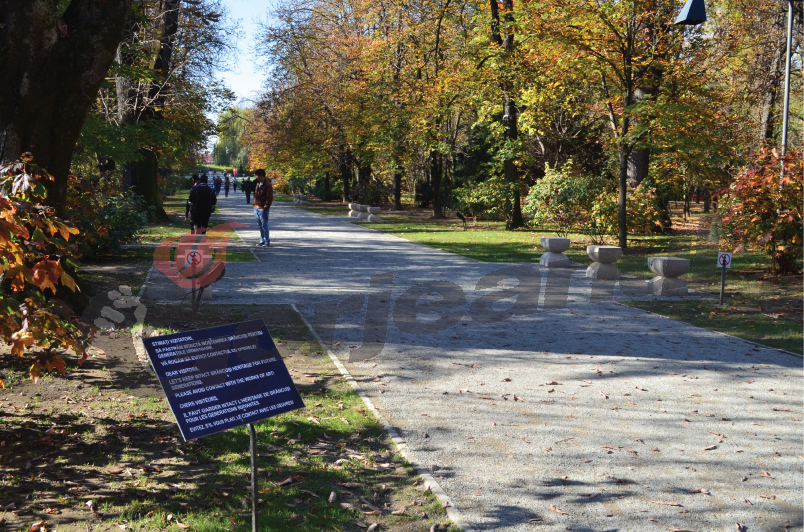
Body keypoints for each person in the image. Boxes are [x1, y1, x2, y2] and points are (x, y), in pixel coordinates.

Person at [252, 169, 273, 246]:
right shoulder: (258, 184)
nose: (256, 177)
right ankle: (262, 239)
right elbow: (255, 195)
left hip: (262, 208)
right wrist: (254, 204)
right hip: (256, 208)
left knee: (264, 225)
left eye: (257, 175)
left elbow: (269, 197)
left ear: (261, 175)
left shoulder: (267, 185)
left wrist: (266, 207)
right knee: (259, 225)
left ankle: (267, 240)